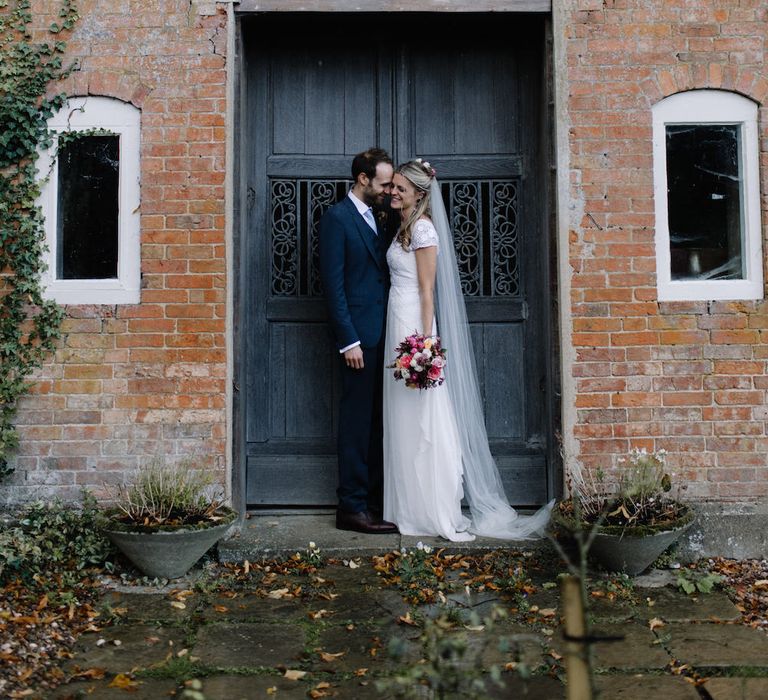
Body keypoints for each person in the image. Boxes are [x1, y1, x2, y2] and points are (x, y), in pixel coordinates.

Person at [383, 159, 553, 541]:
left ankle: (432, 508)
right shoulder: (403, 228)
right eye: (393, 186)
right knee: (402, 416)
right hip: (397, 320)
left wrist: (424, 344)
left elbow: (427, 290)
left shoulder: (424, 230)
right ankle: (408, 506)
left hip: (414, 324)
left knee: (424, 415)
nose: (393, 192)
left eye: (401, 188)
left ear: (420, 194)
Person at [318, 148, 398, 534]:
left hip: (386, 334)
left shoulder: (381, 218)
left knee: (377, 424)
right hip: (358, 341)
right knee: (355, 423)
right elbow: (333, 286)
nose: (388, 190)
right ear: (363, 179)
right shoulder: (338, 219)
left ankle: (374, 501)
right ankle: (351, 507)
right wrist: (348, 340)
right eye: (383, 183)